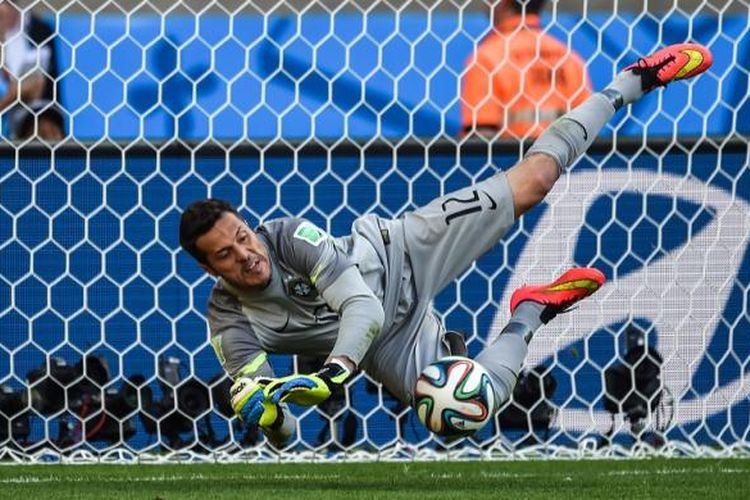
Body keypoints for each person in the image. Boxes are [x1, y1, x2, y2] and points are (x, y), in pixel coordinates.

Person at [179, 44, 712, 446]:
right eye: (225, 254)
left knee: (535, 183)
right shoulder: (231, 324)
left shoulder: (288, 236)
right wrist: (268, 415)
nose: (246, 253)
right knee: (464, 413)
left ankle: (634, 80)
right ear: (209, 269)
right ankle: (530, 312)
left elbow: (360, 306)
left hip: (400, 253)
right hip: (390, 342)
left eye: (243, 236)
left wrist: (331, 374)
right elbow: (285, 434)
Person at [461, 0, 591, 139]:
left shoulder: (486, 57)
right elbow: (587, 126)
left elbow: (482, 133)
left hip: (513, 159)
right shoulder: (569, 57)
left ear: (503, 3)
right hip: (563, 158)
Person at [0, 1, 60, 136]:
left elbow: (52, 95)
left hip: (23, 129)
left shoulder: (41, 30)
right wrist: (15, 95)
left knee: (47, 129)